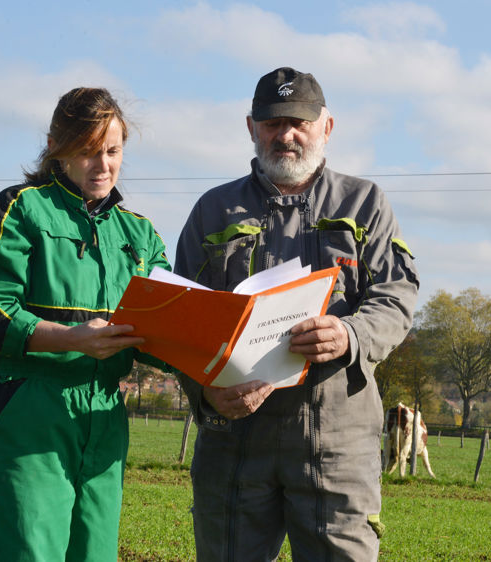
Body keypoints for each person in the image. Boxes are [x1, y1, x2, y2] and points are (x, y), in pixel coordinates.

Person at [174, 67, 419, 561]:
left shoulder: (365, 202)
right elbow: (181, 319)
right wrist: (204, 389)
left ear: (326, 127)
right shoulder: (213, 210)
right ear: (251, 127)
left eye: (299, 122)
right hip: (234, 441)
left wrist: (350, 334)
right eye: (272, 122)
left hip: (338, 440)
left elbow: (396, 295)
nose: (286, 134)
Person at [0, 87, 169, 561]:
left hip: (103, 417)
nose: (103, 165)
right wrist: (72, 339)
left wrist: (220, 354)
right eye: (87, 151)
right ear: (57, 146)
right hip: (27, 408)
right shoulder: (18, 208)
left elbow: (163, 327)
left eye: (113, 151)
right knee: (25, 551)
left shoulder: (140, 233)